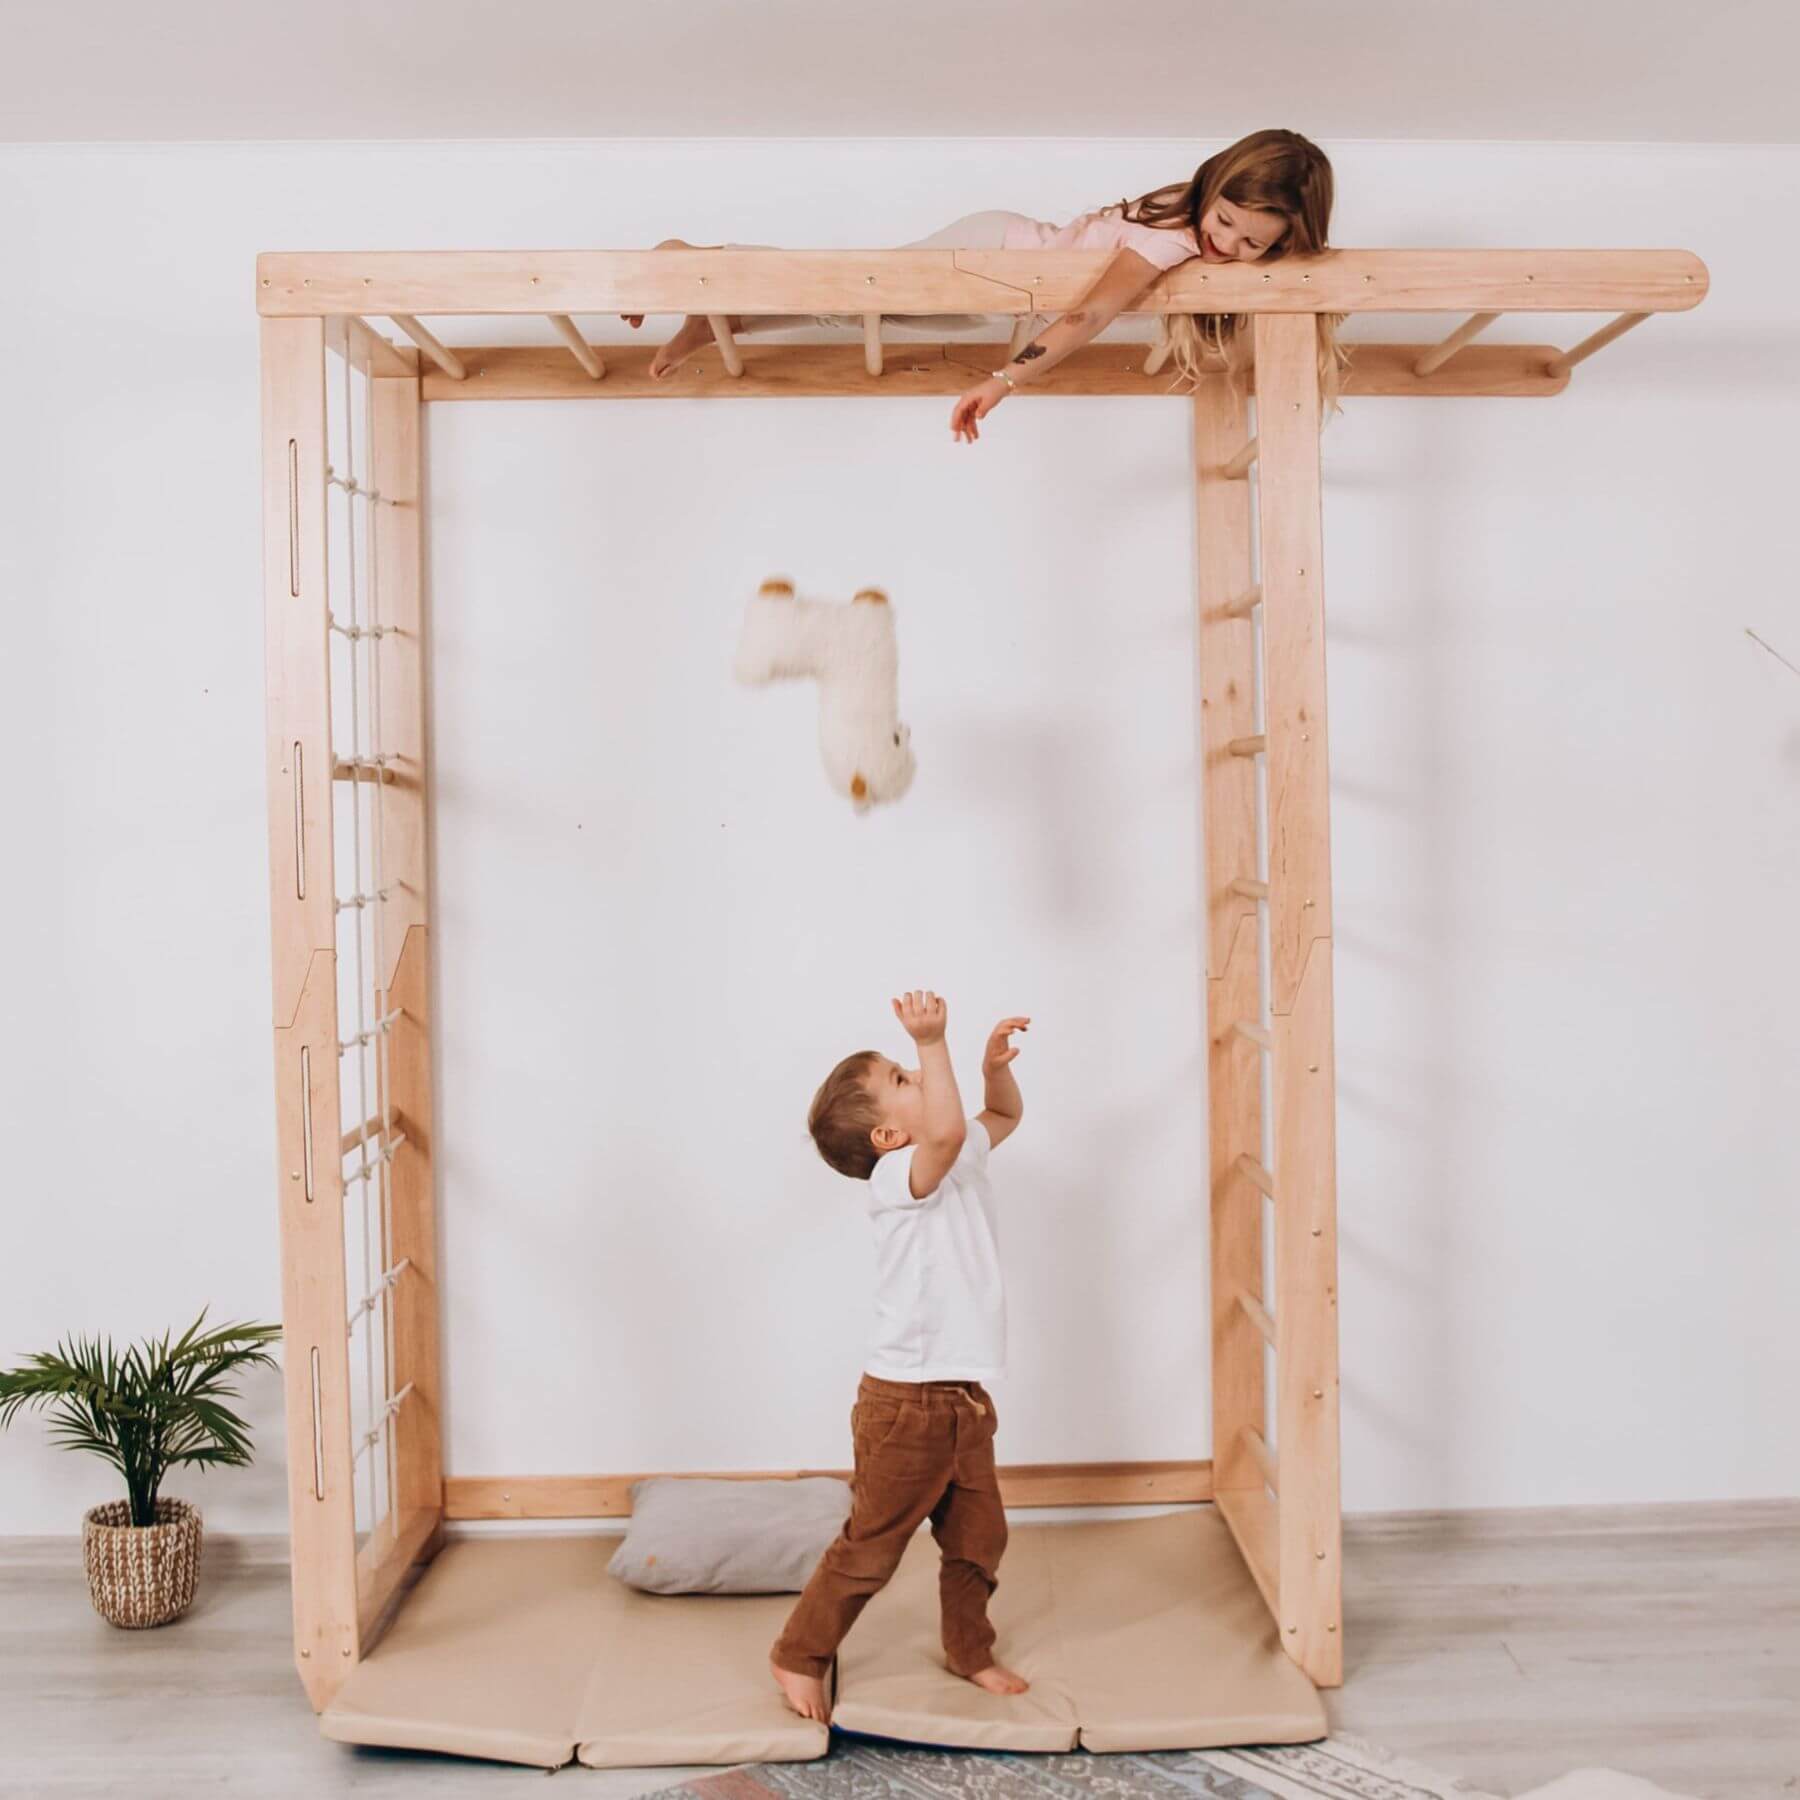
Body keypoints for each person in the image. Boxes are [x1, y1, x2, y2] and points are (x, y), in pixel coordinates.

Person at [621, 128, 1342, 443]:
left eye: (1256, 244)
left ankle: (721, 320)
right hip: (992, 254)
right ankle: (692, 257)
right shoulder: (1171, 236)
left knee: (848, 317)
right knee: (848, 288)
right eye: (1226, 221)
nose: (1229, 246)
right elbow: (1091, 313)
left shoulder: (1197, 230)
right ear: (1212, 189)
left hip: (1000, 298)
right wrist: (1003, 381)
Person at [767, 990, 1030, 1723]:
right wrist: (933, 1041)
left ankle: (969, 1649)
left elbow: (999, 1118)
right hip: (905, 1406)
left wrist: (989, 1068)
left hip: (962, 1400)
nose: (919, 1074)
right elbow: (943, 1135)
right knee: (872, 1548)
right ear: (888, 1136)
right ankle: (800, 1652)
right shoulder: (898, 1179)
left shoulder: (955, 1151)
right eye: (905, 1080)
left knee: (980, 1539)